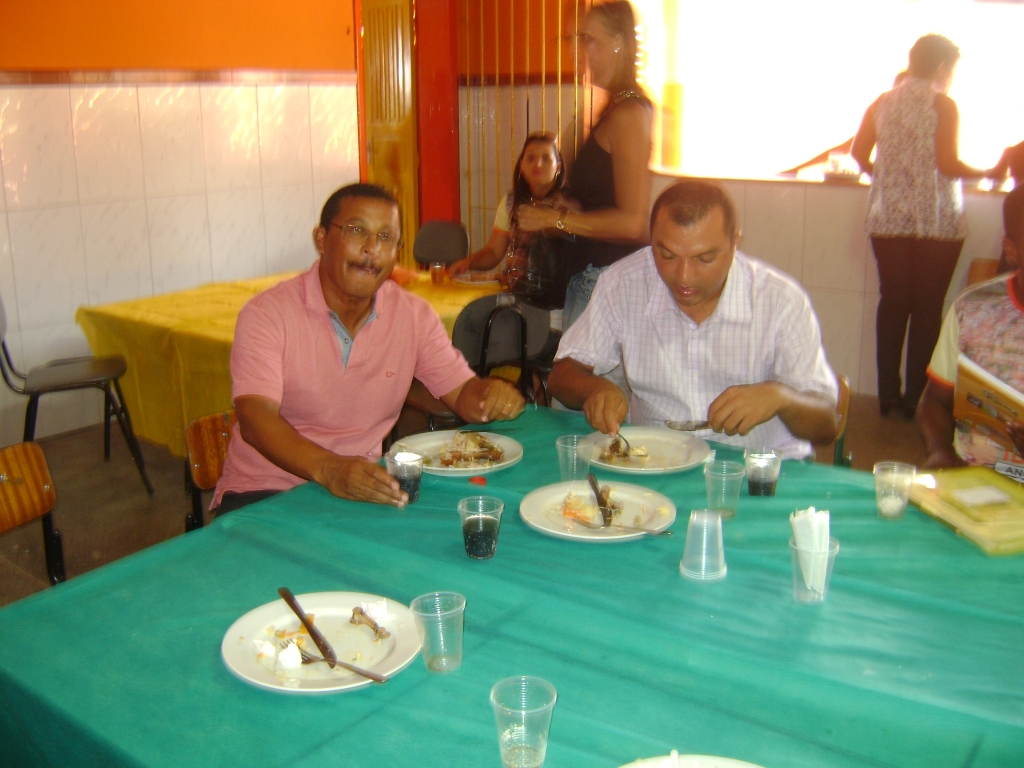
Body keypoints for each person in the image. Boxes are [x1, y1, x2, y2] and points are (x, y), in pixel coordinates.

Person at [212, 184, 526, 514]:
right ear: (321, 239)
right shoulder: (268, 314)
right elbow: (255, 418)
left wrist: (489, 395)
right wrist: (329, 469)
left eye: (386, 237)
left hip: (360, 487)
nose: (372, 248)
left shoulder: (413, 316)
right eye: (357, 230)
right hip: (266, 491)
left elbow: (462, 394)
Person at [547, 179, 840, 458]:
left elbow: (827, 425)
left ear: (735, 242)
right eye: (667, 255)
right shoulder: (623, 283)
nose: (684, 277)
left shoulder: (780, 301)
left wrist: (781, 398)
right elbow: (561, 375)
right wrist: (594, 389)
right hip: (654, 461)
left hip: (757, 466)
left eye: (705, 258)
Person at [851, 35, 1005, 419]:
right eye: (952, 70)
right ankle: (915, 401)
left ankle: (887, 394)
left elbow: (858, 153)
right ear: (940, 67)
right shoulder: (943, 104)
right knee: (927, 309)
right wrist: (989, 172)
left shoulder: (881, 102)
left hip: (888, 221)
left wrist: (886, 179)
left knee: (893, 302)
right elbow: (948, 164)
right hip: (936, 224)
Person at [516, 0, 653, 328]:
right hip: (593, 276)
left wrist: (556, 219)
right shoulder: (611, 107)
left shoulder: (629, 114)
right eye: (571, 39)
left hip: (610, 281)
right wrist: (572, 206)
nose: (574, 49)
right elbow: (603, 201)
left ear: (619, 43)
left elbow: (633, 223)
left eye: (587, 38)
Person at [917, 185, 1024, 470]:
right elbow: (934, 400)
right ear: (1011, 251)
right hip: (971, 476)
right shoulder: (972, 310)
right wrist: (940, 451)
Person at [449, 132, 579, 307]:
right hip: (516, 296)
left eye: (546, 158)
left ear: (558, 167)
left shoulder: (571, 203)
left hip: (559, 304)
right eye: (530, 158)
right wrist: (469, 262)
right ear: (522, 166)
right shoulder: (511, 201)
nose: (538, 164)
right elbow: (494, 253)